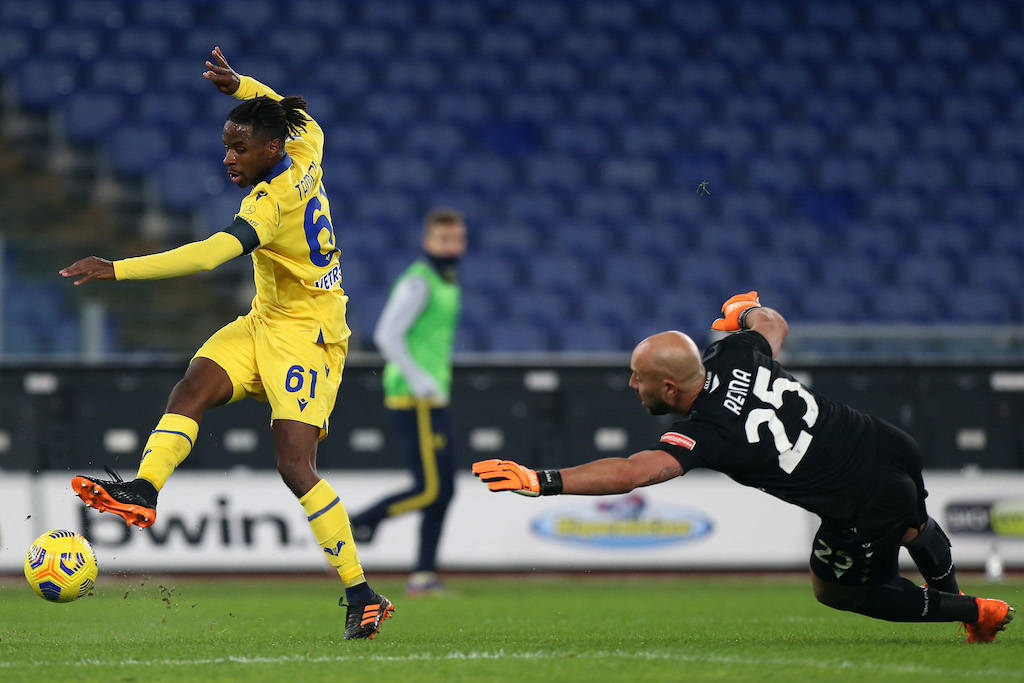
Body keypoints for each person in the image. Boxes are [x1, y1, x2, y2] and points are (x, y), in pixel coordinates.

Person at [59, 47, 394, 640]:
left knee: (295, 467)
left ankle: (361, 592)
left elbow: (210, 254)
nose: (228, 157)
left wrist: (119, 268)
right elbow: (292, 114)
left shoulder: (268, 204)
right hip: (265, 318)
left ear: (269, 151)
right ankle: (143, 489)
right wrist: (243, 86)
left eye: (239, 148)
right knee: (191, 389)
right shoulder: (303, 141)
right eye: (226, 145)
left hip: (308, 335)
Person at [473, 291, 1015, 643]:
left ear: (668, 387)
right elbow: (773, 323)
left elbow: (633, 473)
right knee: (911, 519)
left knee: (840, 592)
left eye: (636, 377)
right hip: (887, 444)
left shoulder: (705, 431)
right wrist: (745, 308)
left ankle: (972, 611)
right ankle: (965, 606)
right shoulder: (735, 355)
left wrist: (542, 481)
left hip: (859, 498)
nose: (630, 385)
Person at [349, 208, 466, 597]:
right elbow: (387, 335)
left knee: (443, 490)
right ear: (427, 241)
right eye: (444, 239)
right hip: (415, 398)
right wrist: (421, 382)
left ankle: (423, 575)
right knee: (432, 489)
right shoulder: (419, 282)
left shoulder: (445, 281)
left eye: (457, 239)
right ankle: (359, 522)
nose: (452, 246)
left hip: (432, 396)